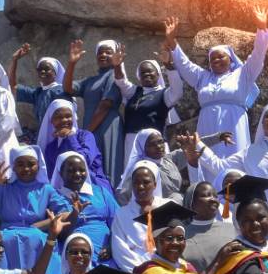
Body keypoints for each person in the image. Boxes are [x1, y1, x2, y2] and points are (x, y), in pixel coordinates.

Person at [166, 6, 268, 158]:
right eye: (212, 58)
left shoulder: (243, 74)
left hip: (234, 125)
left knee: (234, 162)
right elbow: (184, 64)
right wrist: (172, 41)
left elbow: (258, 55)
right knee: (208, 161)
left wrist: (261, 28)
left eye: (221, 56)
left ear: (230, 59)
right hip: (207, 126)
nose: (216, 60)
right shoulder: (203, 77)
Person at [0, 146, 70, 274]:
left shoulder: (46, 189)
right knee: (3, 241)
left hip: (38, 234)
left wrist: (41, 225)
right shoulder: (3, 187)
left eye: (30, 164)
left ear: (38, 166)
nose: (26, 168)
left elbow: (65, 212)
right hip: (7, 234)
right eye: (20, 164)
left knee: (38, 239)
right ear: (13, 166)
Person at [113, 28, 184, 161]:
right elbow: (121, 82)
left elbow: (178, 90)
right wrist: (117, 65)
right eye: (143, 73)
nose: (147, 74)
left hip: (155, 144)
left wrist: (168, 64)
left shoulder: (164, 95)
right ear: (139, 77)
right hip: (132, 143)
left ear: (158, 74)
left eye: (150, 72)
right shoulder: (134, 92)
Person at [64, 38, 126, 184]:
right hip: (91, 128)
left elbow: (105, 105)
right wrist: (72, 63)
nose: (103, 55)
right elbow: (68, 88)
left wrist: (86, 133)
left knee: (107, 167)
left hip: (107, 127)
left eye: (108, 52)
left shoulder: (113, 76)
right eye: (100, 52)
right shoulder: (91, 80)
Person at [51, 151, 117, 264]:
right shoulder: (54, 196)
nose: (77, 174)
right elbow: (58, 234)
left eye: (82, 170)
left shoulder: (100, 191)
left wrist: (112, 246)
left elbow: (117, 223)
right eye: (71, 171)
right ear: (61, 172)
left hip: (105, 250)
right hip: (73, 251)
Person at [110, 160, 171, 272]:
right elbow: (119, 250)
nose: (140, 186)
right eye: (136, 183)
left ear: (155, 184)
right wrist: (144, 272)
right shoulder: (122, 214)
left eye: (146, 182)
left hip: (166, 270)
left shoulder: (168, 207)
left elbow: (174, 242)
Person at [39, 100, 111, 191]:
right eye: (59, 117)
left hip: (95, 188)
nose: (64, 120)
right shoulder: (51, 147)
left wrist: (70, 136)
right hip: (65, 192)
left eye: (68, 116)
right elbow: (51, 175)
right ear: (51, 121)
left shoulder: (86, 136)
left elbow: (85, 160)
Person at [176, 181, 236, 272]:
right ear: (191, 202)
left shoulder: (232, 229)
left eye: (215, 196)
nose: (213, 199)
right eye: (206, 195)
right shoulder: (181, 236)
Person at [10, 48, 71, 134]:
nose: (42, 71)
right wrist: (14, 60)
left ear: (55, 72)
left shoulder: (60, 91)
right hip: (43, 136)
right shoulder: (38, 93)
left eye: (47, 69)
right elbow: (14, 87)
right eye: (40, 69)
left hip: (59, 136)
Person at [115, 128, 182, 205]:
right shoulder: (140, 170)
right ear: (143, 147)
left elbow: (187, 153)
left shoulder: (167, 160)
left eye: (161, 142)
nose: (159, 146)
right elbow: (122, 196)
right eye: (152, 144)